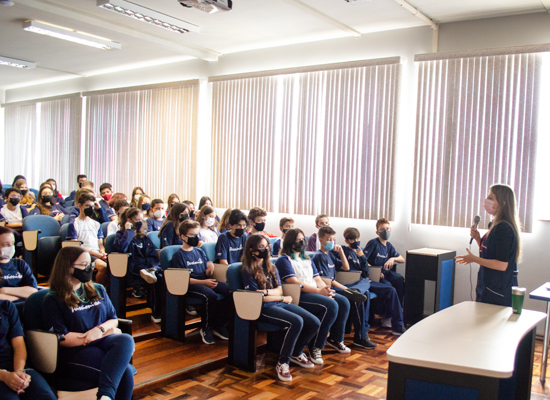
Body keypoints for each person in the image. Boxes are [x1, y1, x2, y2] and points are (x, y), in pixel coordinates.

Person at [43, 247, 135, 400]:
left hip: (102, 340)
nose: (90, 268)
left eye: (90, 264)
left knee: (125, 339)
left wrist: (100, 330)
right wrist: (90, 337)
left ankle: (105, 396)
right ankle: (106, 396)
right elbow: (62, 338)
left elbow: (113, 319)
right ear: (67, 267)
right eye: (84, 265)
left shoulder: (97, 289)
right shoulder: (53, 299)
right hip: (76, 351)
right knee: (124, 372)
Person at [241, 234, 319, 381]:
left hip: (278, 302)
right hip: (263, 308)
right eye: (262, 247)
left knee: (314, 322)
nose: (266, 250)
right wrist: (281, 297)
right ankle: (283, 362)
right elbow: (257, 297)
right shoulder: (248, 270)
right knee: (297, 322)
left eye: (267, 247)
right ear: (252, 250)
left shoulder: (271, 266)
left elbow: (280, 289)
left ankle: (296, 352)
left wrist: (269, 293)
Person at [275, 228, 349, 365]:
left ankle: (336, 339)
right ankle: (316, 346)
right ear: (290, 242)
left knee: (343, 301)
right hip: (299, 294)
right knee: (330, 305)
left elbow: (317, 278)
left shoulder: (307, 258)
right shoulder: (284, 260)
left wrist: (325, 289)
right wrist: (319, 292)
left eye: (303, 239)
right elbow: (294, 282)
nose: (302, 242)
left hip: (315, 291)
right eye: (298, 240)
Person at [456, 184, 522, 307]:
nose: (487, 200)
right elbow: (492, 252)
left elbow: (501, 264)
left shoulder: (503, 228)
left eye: (491, 197)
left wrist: (474, 259)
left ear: (502, 204)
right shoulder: (495, 225)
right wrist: (478, 239)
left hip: (497, 293)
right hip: (488, 288)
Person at [172, 220, 229, 344]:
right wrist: (204, 283)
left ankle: (219, 324)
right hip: (191, 285)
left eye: (197, 235)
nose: (196, 238)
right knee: (210, 295)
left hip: (204, 281)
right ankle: (206, 327)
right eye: (192, 235)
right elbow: (183, 280)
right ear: (183, 236)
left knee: (230, 290)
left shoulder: (200, 251)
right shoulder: (178, 255)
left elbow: (206, 272)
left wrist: (210, 270)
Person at [341, 227, 405, 336]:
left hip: (365, 280)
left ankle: (398, 325)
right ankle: (363, 332)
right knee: (369, 290)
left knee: (391, 290)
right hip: (354, 282)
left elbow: (366, 272)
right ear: (346, 241)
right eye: (352, 240)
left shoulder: (359, 253)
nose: (355, 242)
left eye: (357, 239)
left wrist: (362, 258)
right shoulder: (344, 251)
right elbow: (345, 268)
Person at [0, 296, 57, 400]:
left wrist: (19, 372)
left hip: (14, 365)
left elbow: (18, 345)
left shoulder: (6, 306)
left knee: (47, 397)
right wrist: (4, 376)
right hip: (2, 374)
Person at [113, 207, 162, 321]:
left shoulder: (144, 237)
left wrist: (153, 267)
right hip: (132, 268)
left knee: (160, 277)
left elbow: (152, 254)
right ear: (129, 221)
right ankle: (156, 313)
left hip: (147, 266)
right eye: (137, 220)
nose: (140, 222)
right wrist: (129, 231)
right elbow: (120, 249)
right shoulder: (121, 234)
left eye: (141, 219)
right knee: (155, 280)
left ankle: (158, 308)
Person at [66, 192, 108, 285]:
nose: (90, 208)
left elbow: (100, 244)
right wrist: (97, 254)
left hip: (97, 253)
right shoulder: (74, 224)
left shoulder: (96, 224)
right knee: (103, 267)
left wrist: (102, 252)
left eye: (92, 206)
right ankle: (98, 290)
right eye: (87, 205)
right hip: (83, 253)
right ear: (80, 206)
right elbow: (76, 246)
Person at [364, 218, 405, 308]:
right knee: (388, 286)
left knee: (399, 279)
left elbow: (402, 259)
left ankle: (398, 309)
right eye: (382, 229)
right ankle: (385, 314)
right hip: (375, 275)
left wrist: (393, 259)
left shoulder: (389, 245)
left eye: (387, 229)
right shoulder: (373, 243)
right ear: (377, 232)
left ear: (390, 230)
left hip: (386, 272)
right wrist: (376, 272)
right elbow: (363, 261)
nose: (385, 231)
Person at [0, 227, 38, 302]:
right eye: (5, 245)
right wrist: (22, 296)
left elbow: (33, 291)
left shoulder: (20, 264)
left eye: (13, 243)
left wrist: (4, 290)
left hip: (25, 307)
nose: (11, 247)